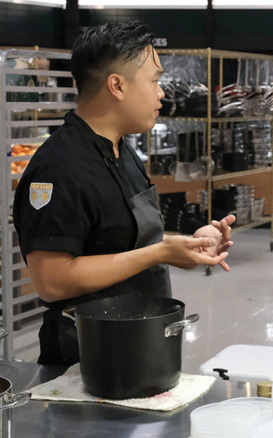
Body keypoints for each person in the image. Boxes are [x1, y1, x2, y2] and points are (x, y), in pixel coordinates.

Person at [13, 21, 236, 366]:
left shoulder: (122, 150)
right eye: (155, 80)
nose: (161, 93)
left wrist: (187, 244)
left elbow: (123, 240)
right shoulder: (59, 169)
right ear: (116, 85)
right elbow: (52, 282)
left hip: (138, 340)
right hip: (85, 357)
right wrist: (159, 252)